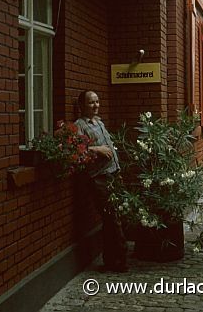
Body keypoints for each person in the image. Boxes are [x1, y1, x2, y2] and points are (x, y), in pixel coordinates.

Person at [74, 90, 128, 273]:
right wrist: (97, 149)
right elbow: (77, 151)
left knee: (114, 218)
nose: (95, 105)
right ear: (82, 105)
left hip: (112, 175)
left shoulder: (99, 123)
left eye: (97, 102)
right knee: (112, 218)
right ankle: (118, 261)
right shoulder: (79, 125)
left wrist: (118, 170)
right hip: (99, 178)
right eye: (91, 103)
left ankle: (113, 259)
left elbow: (111, 148)